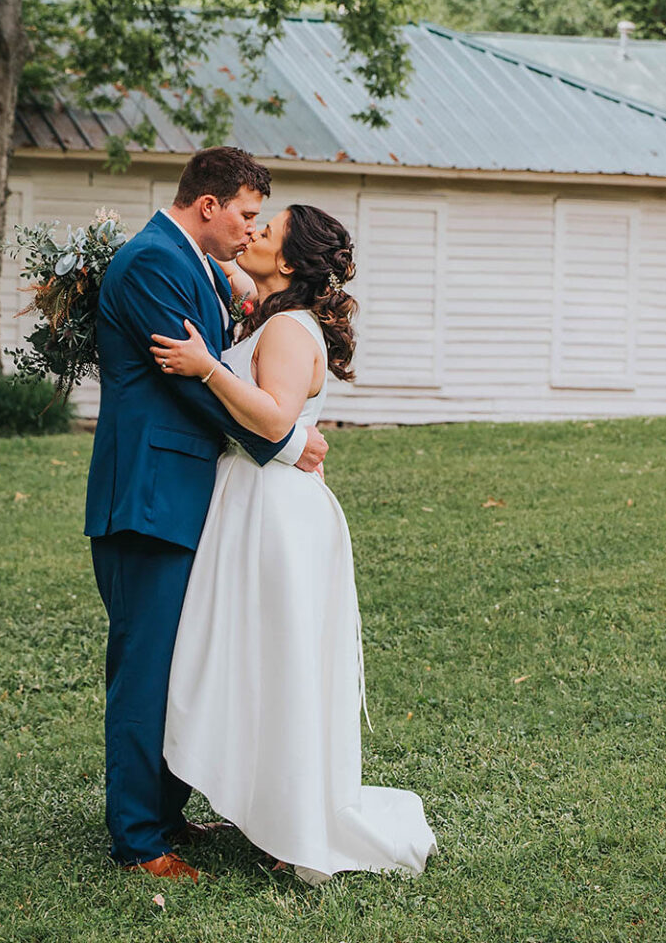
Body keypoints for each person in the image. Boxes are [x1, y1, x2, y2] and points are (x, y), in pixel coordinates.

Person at [151, 203, 438, 884]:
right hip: (258, 500)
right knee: (260, 657)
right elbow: (227, 273)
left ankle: (292, 820)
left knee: (275, 661)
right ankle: (269, 804)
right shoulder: (273, 312)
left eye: (266, 229)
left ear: (286, 260)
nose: (251, 232)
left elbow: (278, 422)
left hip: (271, 510)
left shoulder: (284, 327)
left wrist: (205, 367)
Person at [84, 148, 329, 882]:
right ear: (209, 205)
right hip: (150, 496)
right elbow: (192, 383)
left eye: (260, 221)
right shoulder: (152, 262)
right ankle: (137, 841)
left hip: (191, 497)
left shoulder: (187, 263)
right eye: (246, 216)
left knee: (180, 664)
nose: (248, 232)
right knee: (145, 669)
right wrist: (286, 440)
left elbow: (215, 359)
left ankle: (163, 810)